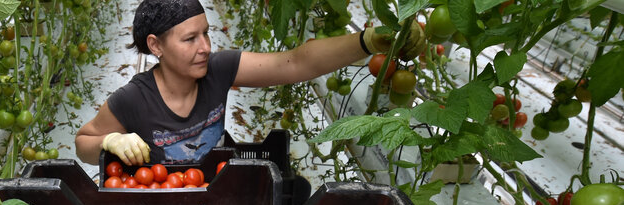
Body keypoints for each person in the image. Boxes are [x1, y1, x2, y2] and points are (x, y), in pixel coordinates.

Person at [75, 0, 426, 166]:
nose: (205, 48)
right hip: (164, 199)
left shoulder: (219, 68)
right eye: (189, 39)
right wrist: (110, 139)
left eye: (206, 34)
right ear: (156, 46)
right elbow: (82, 142)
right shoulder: (133, 99)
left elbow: (295, 63)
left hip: (219, 186)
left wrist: (367, 41)